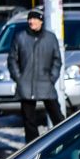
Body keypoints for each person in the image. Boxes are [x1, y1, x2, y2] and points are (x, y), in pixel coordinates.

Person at [8, 8, 65, 142]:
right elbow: (12, 59)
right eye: (29, 19)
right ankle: (33, 148)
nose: (31, 21)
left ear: (41, 21)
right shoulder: (20, 37)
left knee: (57, 117)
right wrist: (19, 78)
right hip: (26, 85)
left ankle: (65, 142)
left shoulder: (50, 38)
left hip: (46, 83)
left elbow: (57, 60)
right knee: (29, 121)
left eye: (34, 19)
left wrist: (52, 77)